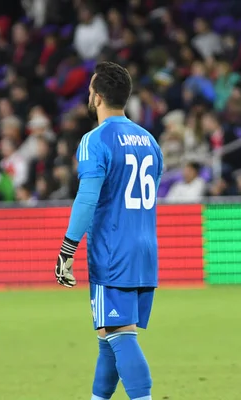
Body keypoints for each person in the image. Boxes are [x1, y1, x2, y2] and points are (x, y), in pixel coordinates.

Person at [54, 61, 163, 400]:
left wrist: (67, 251)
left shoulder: (94, 140)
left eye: (89, 91)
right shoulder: (149, 141)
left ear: (97, 97)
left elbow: (86, 201)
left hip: (112, 253)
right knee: (109, 336)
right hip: (145, 251)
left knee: (120, 336)